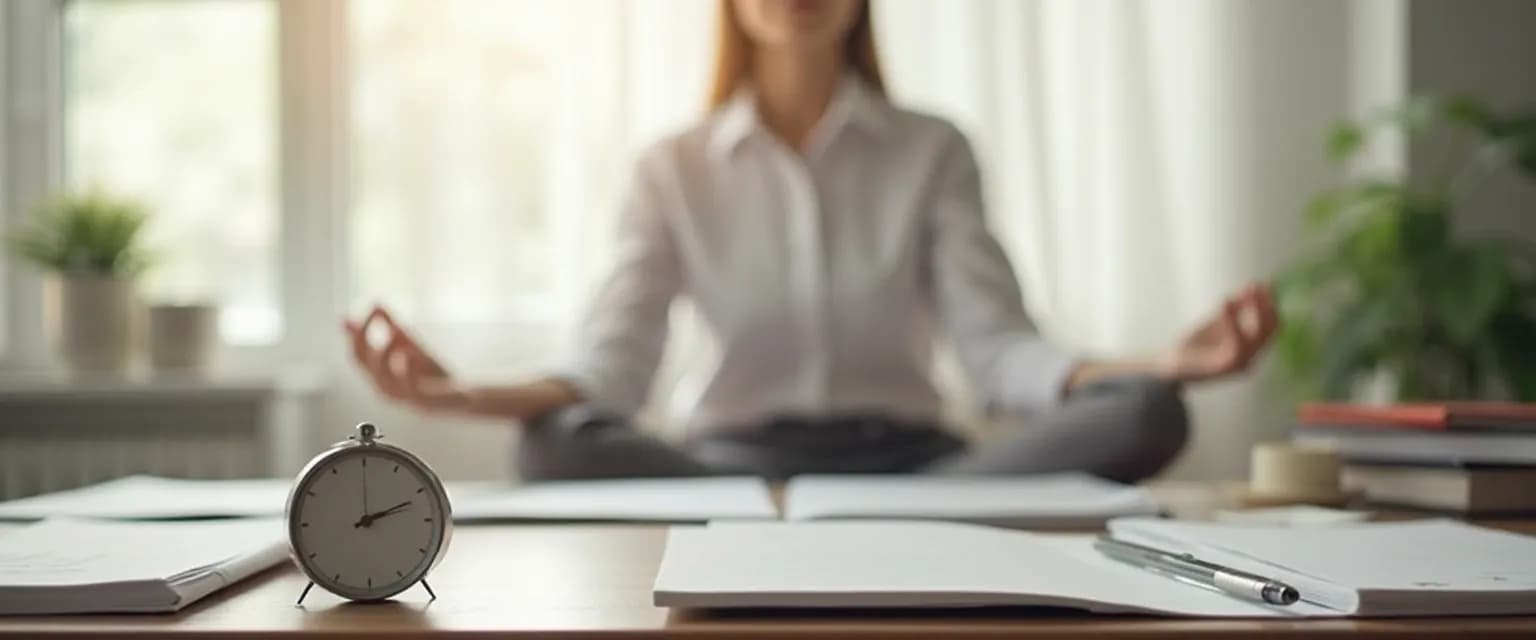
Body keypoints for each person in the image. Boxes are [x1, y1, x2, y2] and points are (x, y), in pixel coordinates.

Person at [344, 0, 1277, 483]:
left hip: (919, 467)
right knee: (551, 444)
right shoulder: (672, 165)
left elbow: (999, 353)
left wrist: (1158, 360)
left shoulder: (933, 149)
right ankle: (819, 519)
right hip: (727, 467)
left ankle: (876, 517)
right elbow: (614, 366)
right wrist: (463, 392)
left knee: (1151, 411)